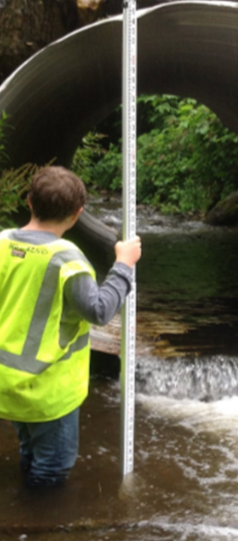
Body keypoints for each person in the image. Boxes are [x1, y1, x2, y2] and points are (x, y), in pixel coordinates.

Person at [0, 166, 142, 488]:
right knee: (52, 468)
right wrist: (124, 265)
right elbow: (100, 310)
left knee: (29, 448)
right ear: (78, 214)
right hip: (48, 391)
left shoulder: (3, 242)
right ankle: (40, 526)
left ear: (29, 201)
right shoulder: (68, 260)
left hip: (6, 384)